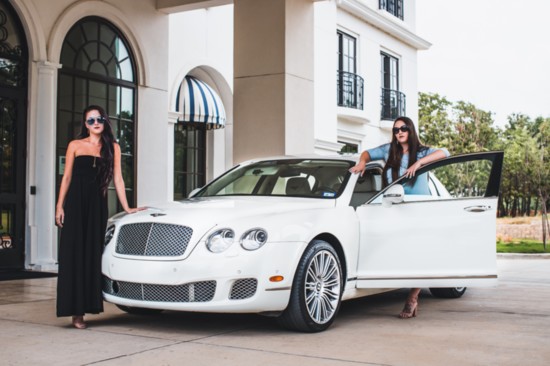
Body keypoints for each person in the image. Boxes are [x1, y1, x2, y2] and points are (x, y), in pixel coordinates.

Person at [350, 116, 449, 319]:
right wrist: (362, 162)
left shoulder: (422, 151)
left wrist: (419, 163)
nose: (399, 132)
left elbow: (445, 153)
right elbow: (368, 153)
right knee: (399, 252)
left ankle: (412, 297)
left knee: (419, 255)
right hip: (393, 207)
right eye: (396, 130)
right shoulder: (389, 150)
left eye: (403, 128)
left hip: (418, 209)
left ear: (410, 130)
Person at [55, 105, 144, 329]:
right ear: (85, 124)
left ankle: (87, 306)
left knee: (91, 254)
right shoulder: (75, 145)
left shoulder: (112, 147)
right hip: (75, 204)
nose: (95, 123)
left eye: (99, 119)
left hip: (97, 206)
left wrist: (128, 206)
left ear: (105, 121)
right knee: (73, 253)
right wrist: (59, 206)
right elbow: (66, 178)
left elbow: (119, 179)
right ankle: (75, 313)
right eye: (90, 120)